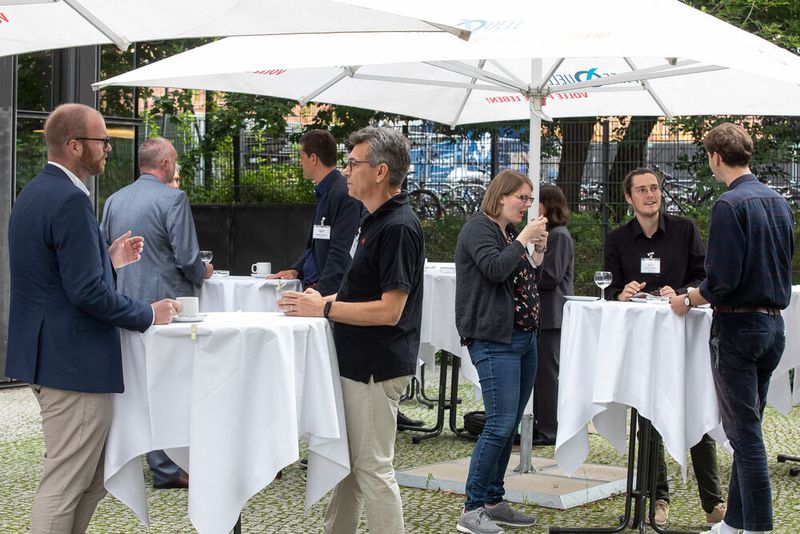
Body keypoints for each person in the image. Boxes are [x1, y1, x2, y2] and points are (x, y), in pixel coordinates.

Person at [5, 103, 179, 533]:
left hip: (52, 355)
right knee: (66, 484)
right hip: (73, 364)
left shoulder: (34, 193)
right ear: (74, 145)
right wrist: (148, 314)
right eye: (102, 141)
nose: (108, 149)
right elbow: (85, 293)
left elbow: (57, 275)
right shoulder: (69, 200)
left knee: (94, 479)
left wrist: (107, 258)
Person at [278, 127, 424, 534]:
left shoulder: (397, 226)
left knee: (373, 471)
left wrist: (323, 306)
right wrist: (320, 301)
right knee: (348, 468)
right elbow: (363, 289)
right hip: (358, 362)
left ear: (380, 172)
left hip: (376, 366)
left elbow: (391, 310)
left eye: (353, 163)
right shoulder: (373, 220)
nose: (345, 171)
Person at [671, 123, 794, 534]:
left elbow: (720, 282)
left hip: (739, 328)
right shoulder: (778, 201)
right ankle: (735, 522)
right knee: (749, 428)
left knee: (745, 436)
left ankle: (757, 527)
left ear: (715, 157)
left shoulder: (728, 205)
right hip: (774, 325)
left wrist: (687, 298)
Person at [604, 167, 725, 527]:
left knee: (696, 411)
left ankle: (713, 502)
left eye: (654, 188)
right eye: (641, 190)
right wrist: (621, 293)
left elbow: (705, 277)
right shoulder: (617, 239)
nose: (650, 195)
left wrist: (684, 293)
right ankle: (658, 498)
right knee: (648, 414)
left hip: (684, 334)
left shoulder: (685, 230)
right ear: (629, 198)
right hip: (642, 340)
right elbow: (608, 287)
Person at [101, 137, 213, 489]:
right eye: (175, 161)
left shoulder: (114, 200)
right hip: (168, 310)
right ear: (165, 164)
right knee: (171, 387)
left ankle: (140, 456)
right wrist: (204, 273)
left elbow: (106, 254)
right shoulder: (174, 198)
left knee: (138, 386)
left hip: (125, 306)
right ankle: (168, 467)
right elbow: (186, 256)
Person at [454, 169, 548, 534]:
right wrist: (524, 239)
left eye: (528, 199)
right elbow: (494, 270)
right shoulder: (479, 228)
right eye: (521, 198)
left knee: (508, 425)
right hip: (495, 339)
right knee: (498, 424)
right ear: (501, 195)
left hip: (523, 338)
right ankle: (472, 508)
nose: (527, 205)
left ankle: (493, 500)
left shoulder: (507, 232)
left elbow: (523, 276)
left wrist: (535, 249)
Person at [270, 129, 362, 296]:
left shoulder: (343, 193)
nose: (299, 162)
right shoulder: (326, 191)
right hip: (314, 288)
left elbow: (341, 251)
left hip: (327, 294)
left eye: (301, 157)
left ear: (313, 158)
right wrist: (296, 270)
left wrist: (320, 293)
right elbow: (315, 245)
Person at [533, 184, 573, 446]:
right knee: (543, 373)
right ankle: (544, 424)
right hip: (548, 314)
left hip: (552, 314)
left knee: (548, 375)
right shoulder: (554, 234)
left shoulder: (558, 235)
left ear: (547, 205)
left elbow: (551, 276)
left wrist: (526, 273)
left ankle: (549, 429)